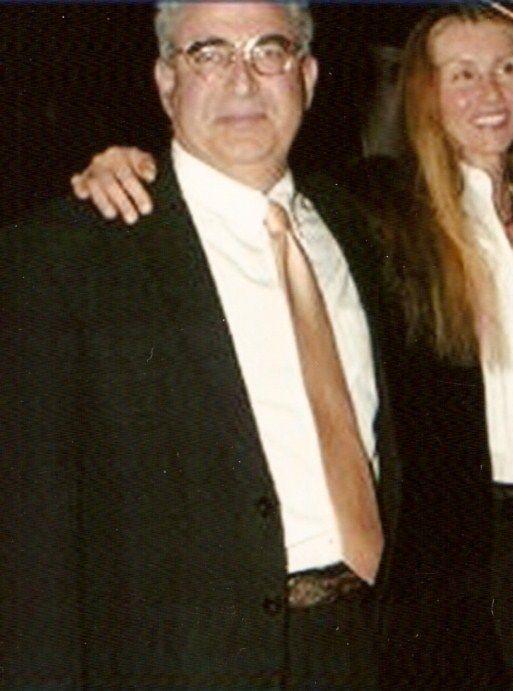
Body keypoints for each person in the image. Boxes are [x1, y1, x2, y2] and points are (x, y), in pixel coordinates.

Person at [68, 6, 513, 688]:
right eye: (461, 74)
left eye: (505, 69)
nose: (488, 92)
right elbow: (235, 182)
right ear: (423, 93)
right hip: (435, 572)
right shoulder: (378, 213)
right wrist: (120, 163)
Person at [0, 2, 400, 686]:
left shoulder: (347, 226)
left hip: (358, 649)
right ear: (165, 82)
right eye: (208, 54)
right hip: (180, 665)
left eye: (268, 51)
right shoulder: (71, 253)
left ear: (306, 76)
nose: (242, 81)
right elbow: (31, 545)